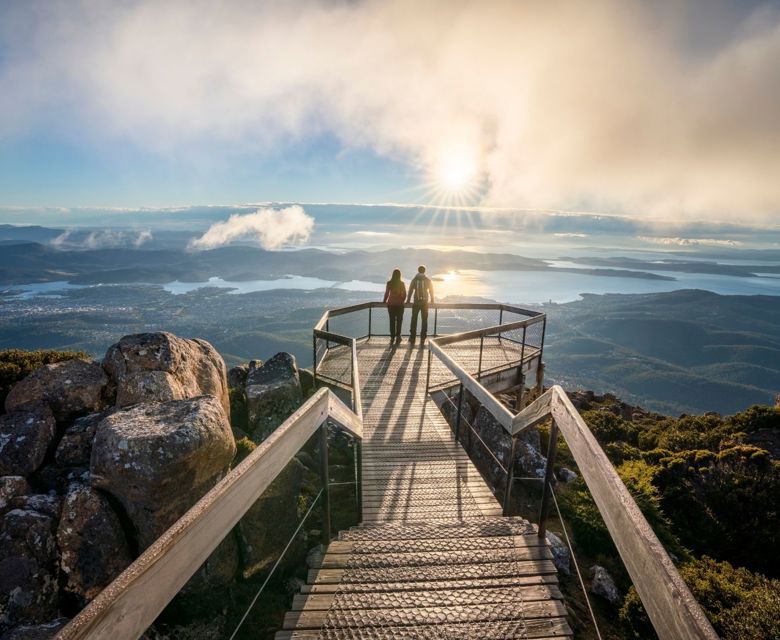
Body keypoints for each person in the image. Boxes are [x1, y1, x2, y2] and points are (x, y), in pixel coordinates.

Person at [406, 265, 434, 344]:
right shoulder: (427, 280)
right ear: (424, 271)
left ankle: (412, 337)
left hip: (416, 302)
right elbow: (431, 290)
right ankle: (423, 337)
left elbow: (410, 290)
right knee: (424, 320)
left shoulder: (414, 280)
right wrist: (432, 300)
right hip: (425, 303)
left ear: (418, 270)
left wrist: (408, 300)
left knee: (414, 319)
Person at [383, 268, 406, 344]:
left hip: (391, 304)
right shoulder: (402, 283)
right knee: (399, 321)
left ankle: (392, 337)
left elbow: (387, 293)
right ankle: (398, 336)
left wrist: (384, 301)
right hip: (400, 305)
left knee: (392, 321)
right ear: (400, 275)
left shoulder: (389, 283)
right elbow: (405, 294)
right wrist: (402, 300)